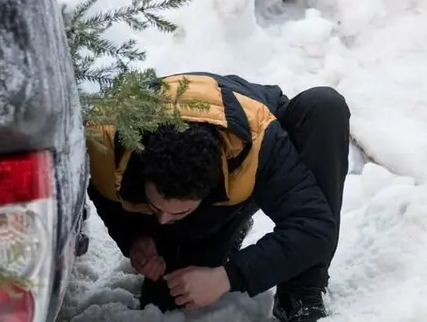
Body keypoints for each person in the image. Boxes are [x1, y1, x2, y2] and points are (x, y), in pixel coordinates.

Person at [85, 71, 350, 322]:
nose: (164, 220)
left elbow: (315, 227)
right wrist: (135, 238)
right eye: (156, 207)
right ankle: (221, 232)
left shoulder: (261, 143)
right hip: (171, 163)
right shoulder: (102, 145)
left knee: (324, 106)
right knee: (170, 297)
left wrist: (227, 277)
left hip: (250, 155)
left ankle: (299, 289)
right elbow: (105, 198)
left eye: (178, 213)